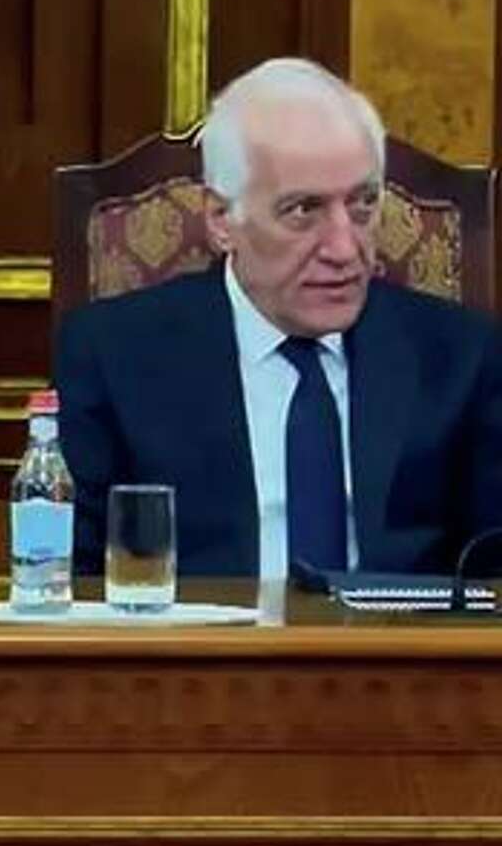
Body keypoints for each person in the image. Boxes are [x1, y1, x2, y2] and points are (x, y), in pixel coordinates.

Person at [55, 57, 502, 579]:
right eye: (303, 210)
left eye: (362, 205)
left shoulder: (461, 356)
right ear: (222, 220)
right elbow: (70, 578)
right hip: (205, 631)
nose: (344, 249)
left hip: (395, 632)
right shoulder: (114, 355)